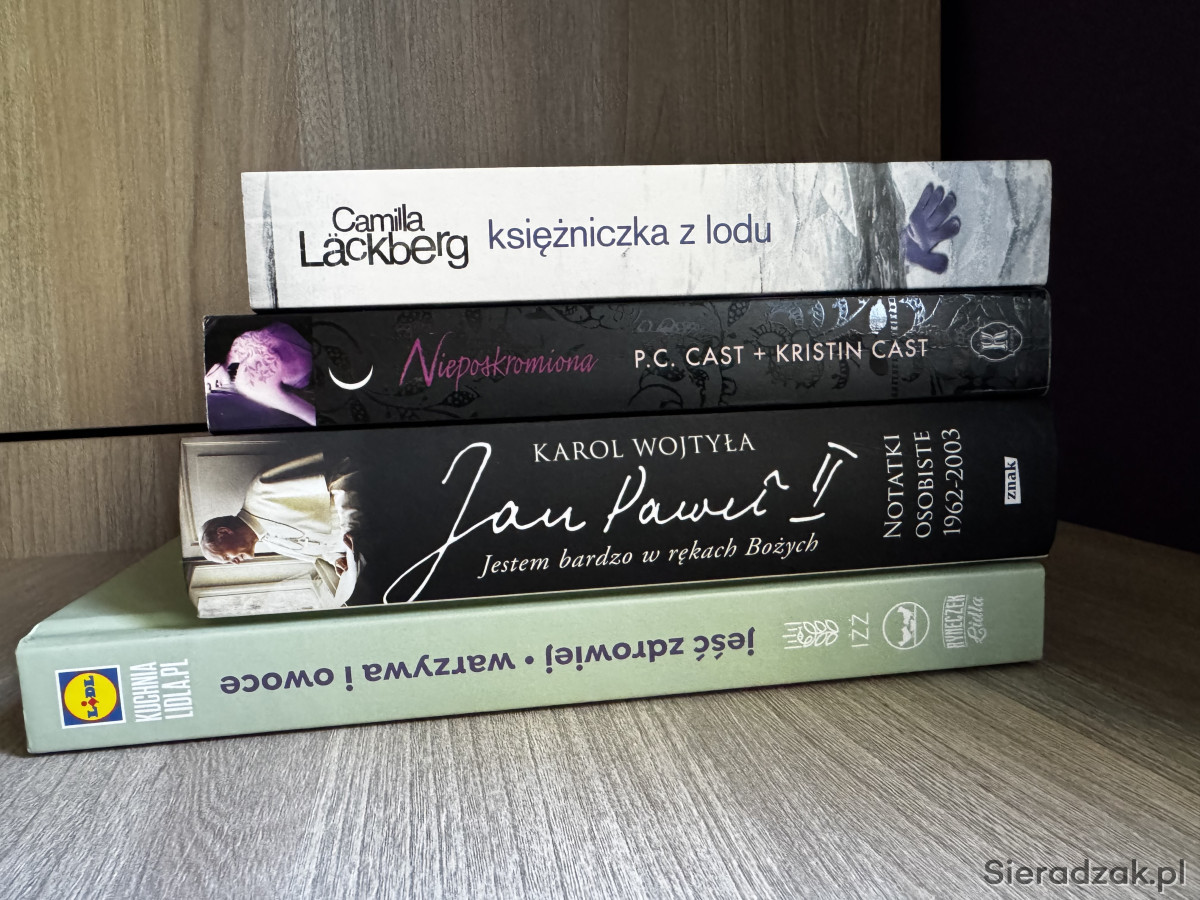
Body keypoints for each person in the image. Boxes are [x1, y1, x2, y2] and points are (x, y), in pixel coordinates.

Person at [199, 453, 364, 603]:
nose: (234, 563)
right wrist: (336, 559)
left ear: (224, 532)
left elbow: (342, 473)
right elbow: (323, 550)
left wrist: (352, 526)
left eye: (226, 557)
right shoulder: (274, 545)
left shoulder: (263, 489)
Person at [205, 321, 317, 426]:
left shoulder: (246, 384)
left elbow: (308, 413)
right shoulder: (240, 341)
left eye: (207, 385)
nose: (210, 389)